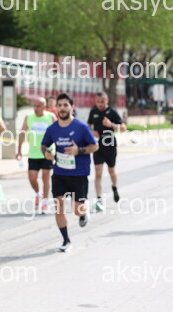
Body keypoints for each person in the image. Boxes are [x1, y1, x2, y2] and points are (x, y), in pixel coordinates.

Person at [42, 93, 99, 252]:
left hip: (79, 174)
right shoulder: (52, 129)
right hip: (59, 173)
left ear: (72, 107)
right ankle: (66, 240)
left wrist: (78, 150)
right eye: (59, 105)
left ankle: (83, 211)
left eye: (65, 105)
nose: (62, 108)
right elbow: (44, 146)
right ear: (56, 108)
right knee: (59, 205)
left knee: (77, 209)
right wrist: (46, 153)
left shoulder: (81, 127)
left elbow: (95, 146)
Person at [17, 97, 57, 214]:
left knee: (45, 177)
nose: (36, 108)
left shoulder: (50, 117)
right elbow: (22, 133)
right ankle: (38, 193)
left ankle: (45, 202)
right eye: (34, 106)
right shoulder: (29, 117)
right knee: (32, 177)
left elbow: (58, 132)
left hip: (47, 153)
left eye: (39, 106)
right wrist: (19, 150)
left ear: (44, 107)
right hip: (33, 153)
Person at [88, 92, 127, 212]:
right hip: (97, 147)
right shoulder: (93, 112)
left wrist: (111, 125)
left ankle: (114, 187)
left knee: (111, 171)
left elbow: (123, 128)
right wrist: (91, 132)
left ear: (107, 100)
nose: (100, 104)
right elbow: (87, 126)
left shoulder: (112, 112)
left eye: (102, 101)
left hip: (110, 146)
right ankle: (99, 200)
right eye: (98, 102)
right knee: (98, 174)